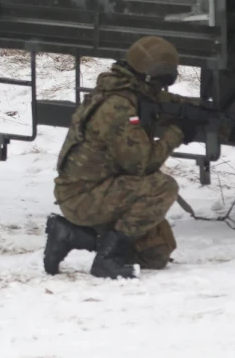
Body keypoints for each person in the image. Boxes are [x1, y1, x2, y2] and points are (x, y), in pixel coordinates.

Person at [47, 35, 199, 279]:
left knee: (155, 254)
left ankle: (71, 235)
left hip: (97, 189)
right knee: (163, 186)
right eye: (160, 83)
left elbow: (166, 103)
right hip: (83, 197)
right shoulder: (118, 107)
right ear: (150, 77)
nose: (161, 89)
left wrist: (198, 112)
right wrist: (177, 134)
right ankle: (108, 259)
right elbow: (143, 163)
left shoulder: (125, 90)